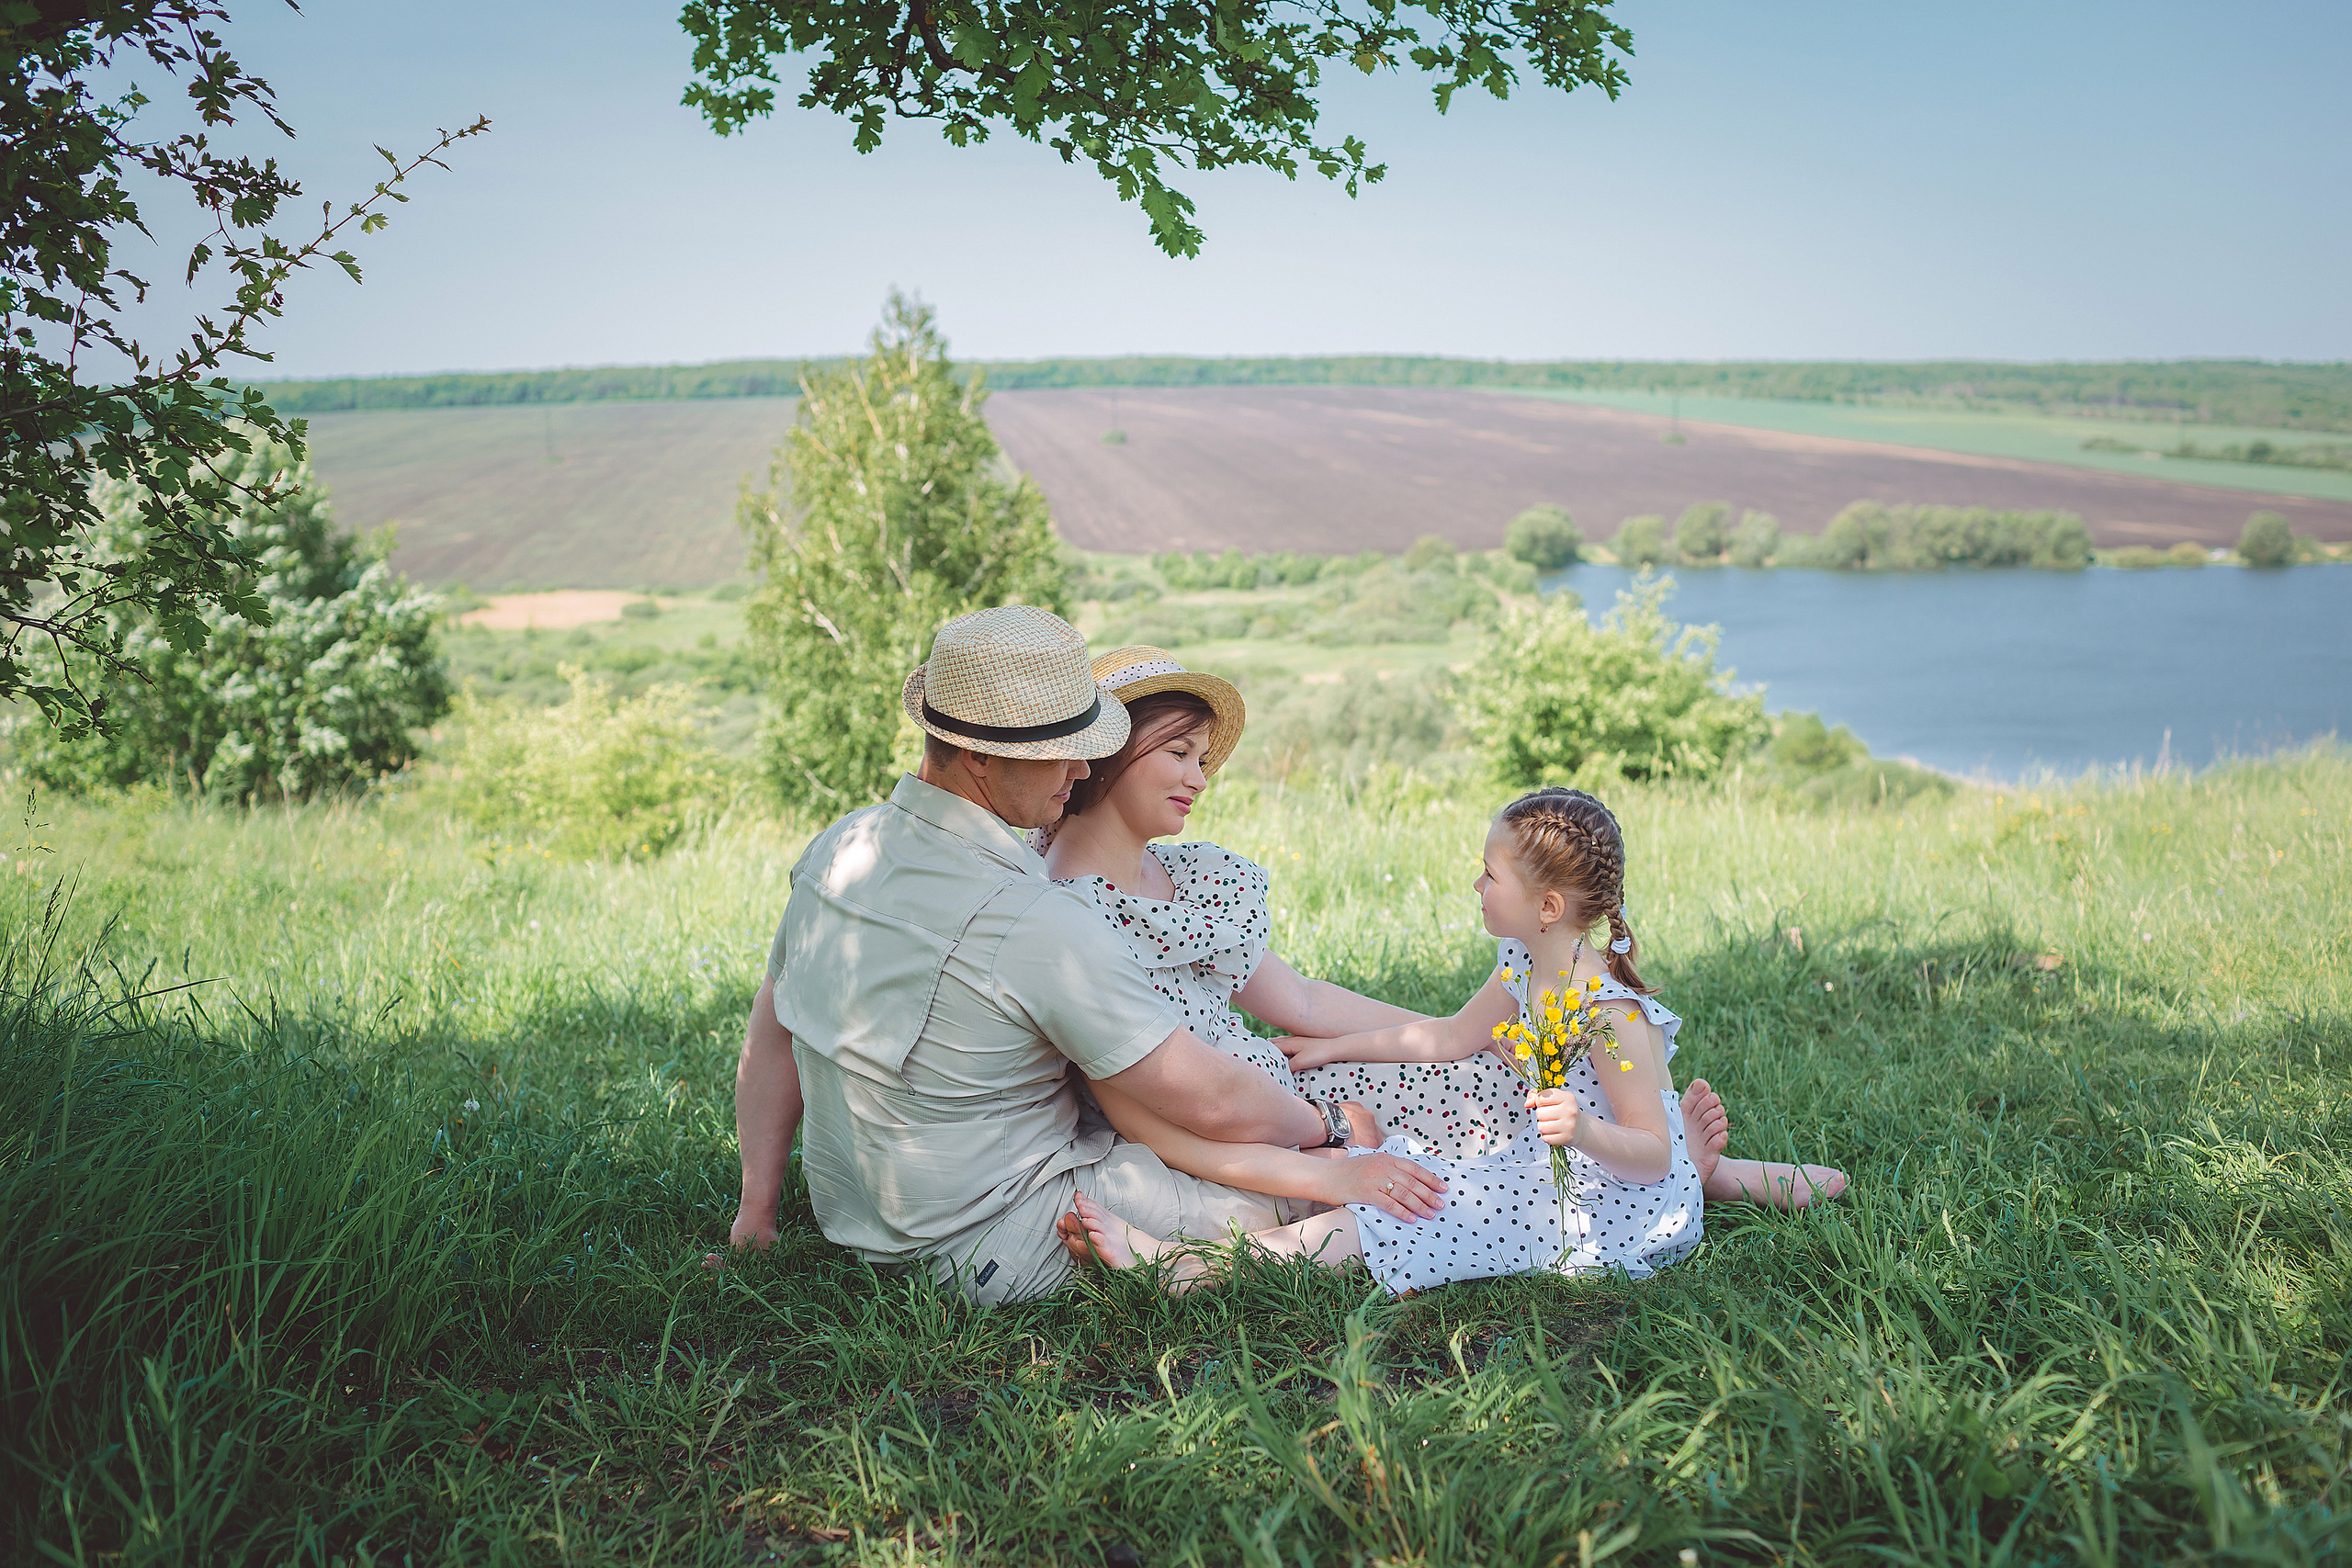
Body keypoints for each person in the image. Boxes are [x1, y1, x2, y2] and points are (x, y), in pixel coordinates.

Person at [727, 604, 1427, 1304]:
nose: (1085, 765)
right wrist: (1326, 1127)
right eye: (1062, 746)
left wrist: (756, 1215)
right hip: (999, 1237)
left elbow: (773, 1027)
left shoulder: (840, 849)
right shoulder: (1031, 916)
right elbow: (1207, 1099)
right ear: (978, 754)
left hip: (857, 1219)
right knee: (1370, 1204)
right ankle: (1193, 1264)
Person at [1045, 648, 1845, 1219]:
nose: (1199, 776)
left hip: (1286, 1080)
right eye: (1178, 754)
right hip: (1258, 1107)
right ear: (1113, 752)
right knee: (1497, 1104)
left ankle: (1686, 1170)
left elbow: (1301, 998)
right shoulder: (1066, 910)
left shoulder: (1191, 876)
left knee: (1499, 1075)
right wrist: (1333, 1109)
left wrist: (1429, 1038)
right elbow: (1158, 1092)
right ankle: (1678, 1179)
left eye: (1201, 758)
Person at [1064, 787, 1826, 1293]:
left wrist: (1587, 1128)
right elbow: (1450, 1037)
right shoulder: (1524, 959)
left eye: (1489, 874)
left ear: (1548, 903)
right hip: (1549, 1168)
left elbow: (1648, 1148)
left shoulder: (1611, 1012)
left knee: (1414, 1203)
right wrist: (1336, 1050)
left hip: (1604, 1195)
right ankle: (1712, 1179)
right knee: (1420, 1179)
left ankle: (1191, 1269)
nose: (1476, 885)